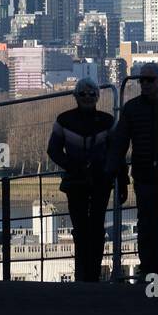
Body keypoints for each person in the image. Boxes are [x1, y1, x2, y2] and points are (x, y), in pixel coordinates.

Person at [105, 62, 158, 280]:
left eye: (149, 80)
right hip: (145, 176)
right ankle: (149, 272)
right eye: (142, 80)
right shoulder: (132, 108)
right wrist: (112, 173)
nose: (145, 84)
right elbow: (119, 143)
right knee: (146, 224)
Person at [47, 77, 116, 282]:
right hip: (89, 181)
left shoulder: (67, 120)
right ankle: (86, 273)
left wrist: (72, 166)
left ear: (97, 97)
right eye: (84, 94)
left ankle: (88, 273)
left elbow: (116, 153)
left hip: (91, 181)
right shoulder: (106, 121)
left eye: (92, 94)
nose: (88, 97)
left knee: (92, 227)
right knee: (84, 227)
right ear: (76, 96)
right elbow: (53, 150)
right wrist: (75, 167)